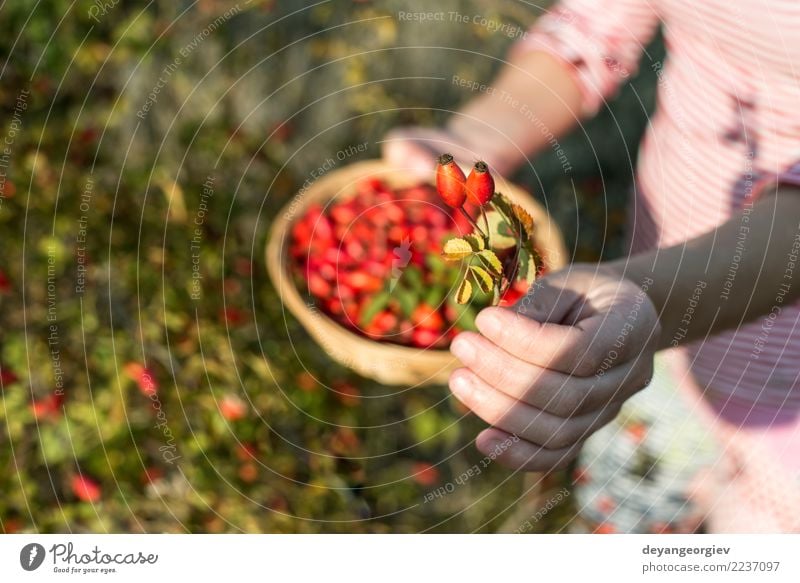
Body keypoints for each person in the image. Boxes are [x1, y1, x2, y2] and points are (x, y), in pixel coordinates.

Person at [383, 0, 800, 533]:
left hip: (775, 379)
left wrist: (654, 299)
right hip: (655, 327)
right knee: (636, 508)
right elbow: (595, 21)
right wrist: (473, 144)